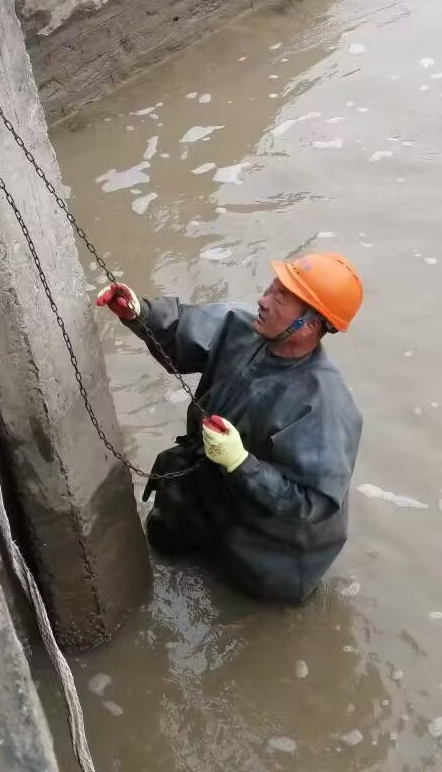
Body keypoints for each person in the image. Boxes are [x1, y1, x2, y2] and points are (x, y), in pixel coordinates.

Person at [95, 252, 364, 602]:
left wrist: (241, 463)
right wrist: (139, 313)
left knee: (242, 603)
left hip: (267, 540)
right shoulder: (240, 326)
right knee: (163, 546)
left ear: (310, 325)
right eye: (272, 288)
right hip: (211, 483)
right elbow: (181, 328)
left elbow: (312, 503)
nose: (263, 300)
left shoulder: (326, 406)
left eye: (280, 298)